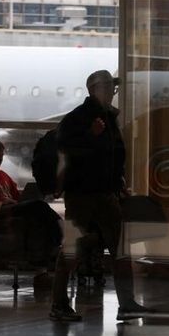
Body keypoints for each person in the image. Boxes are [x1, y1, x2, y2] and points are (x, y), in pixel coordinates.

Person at [49, 70, 150, 321]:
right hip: (82, 195)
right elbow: (65, 152)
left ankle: (126, 303)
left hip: (105, 194)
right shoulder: (78, 119)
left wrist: (119, 182)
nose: (112, 92)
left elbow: (113, 154)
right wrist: (90, 136)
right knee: (73, 249)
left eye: (113, 88)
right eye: (107, 87)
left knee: (119, 248)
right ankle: (59, 304)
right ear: (94, 89)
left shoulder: (107, 117)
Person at [0, 137, 62, 265]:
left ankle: (54, 243)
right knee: (39, 206)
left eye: (0, 157)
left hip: (10, 207)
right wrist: (6, 201)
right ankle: (61, 233)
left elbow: (17, 196)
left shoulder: (3, 175)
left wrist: (22, 198)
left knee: (39, 210)